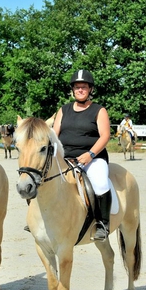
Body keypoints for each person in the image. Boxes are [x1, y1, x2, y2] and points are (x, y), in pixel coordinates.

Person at [53, 69, 112, 241]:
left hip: (92, 158)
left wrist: (90, 154)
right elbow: (54, 135)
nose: (80, 90)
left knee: (100, 184)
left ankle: (102, 223)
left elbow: (105, 136)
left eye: (84, 87)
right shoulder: (63, 110)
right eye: (77, 87)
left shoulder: (98, 110)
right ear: (72, 89)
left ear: (90, 89)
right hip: (65, 158)